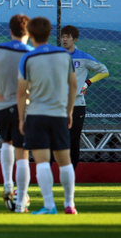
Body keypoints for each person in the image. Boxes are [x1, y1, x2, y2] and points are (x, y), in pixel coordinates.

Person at [17, 17, 77, 215]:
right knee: (65, 161)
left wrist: (21, 118)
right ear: (51, 33)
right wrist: (68, 111)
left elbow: (21, 91)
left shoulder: (28, 58)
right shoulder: (64, 55)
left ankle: (50, 206)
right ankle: (69, 204)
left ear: (30, 35)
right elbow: (73, 85)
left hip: (36, 115)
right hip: (59, 115)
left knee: (42, 162)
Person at [0, 14, 33, 212]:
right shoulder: (31, 53)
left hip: (1, 105)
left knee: (6, 142)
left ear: (10, 30)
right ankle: (21, 203)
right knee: (22, 154)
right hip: (24, 107)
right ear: (28, 32)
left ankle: (7, 183)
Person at [61, 25, 108, 170]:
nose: (64, 39)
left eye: (68, 37)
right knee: (55, 139)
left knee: (74, 140)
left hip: (77, 104)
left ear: (74, 39)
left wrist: (88, 82)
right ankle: (52, 173)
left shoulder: (84, 57)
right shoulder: (56, 56)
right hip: (58, 104)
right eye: (62, 36)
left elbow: (104, 71)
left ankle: (71, 173)